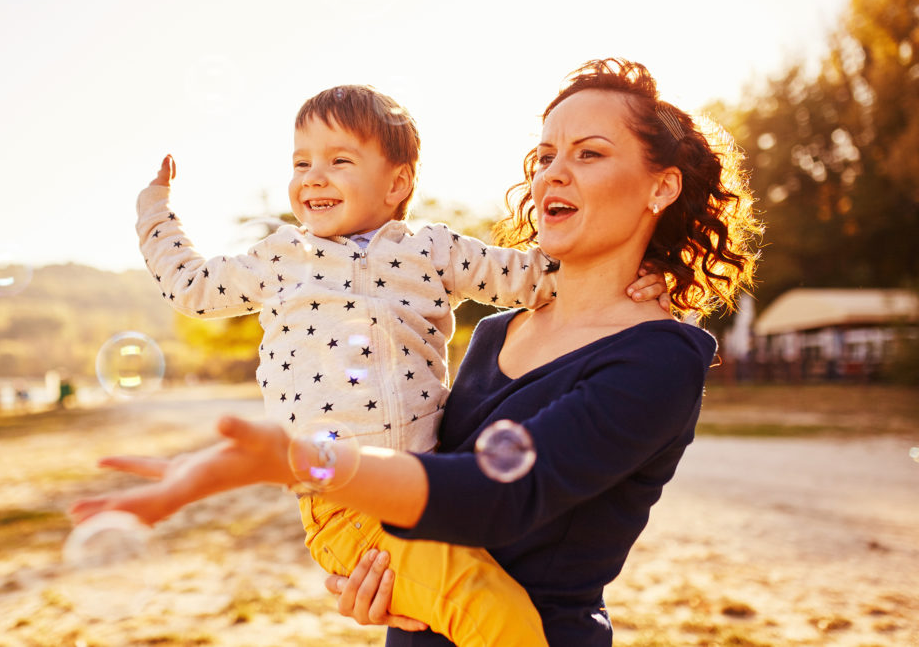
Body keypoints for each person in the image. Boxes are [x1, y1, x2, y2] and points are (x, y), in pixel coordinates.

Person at [72, 59, 758, 645]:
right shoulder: (494, 332)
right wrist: (367, 581)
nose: (552, 173)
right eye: (544, 155)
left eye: (589, 153)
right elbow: (418, 482)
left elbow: (494, 497)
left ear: (661, 187)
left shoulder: (659, 356)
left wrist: (297, 457)